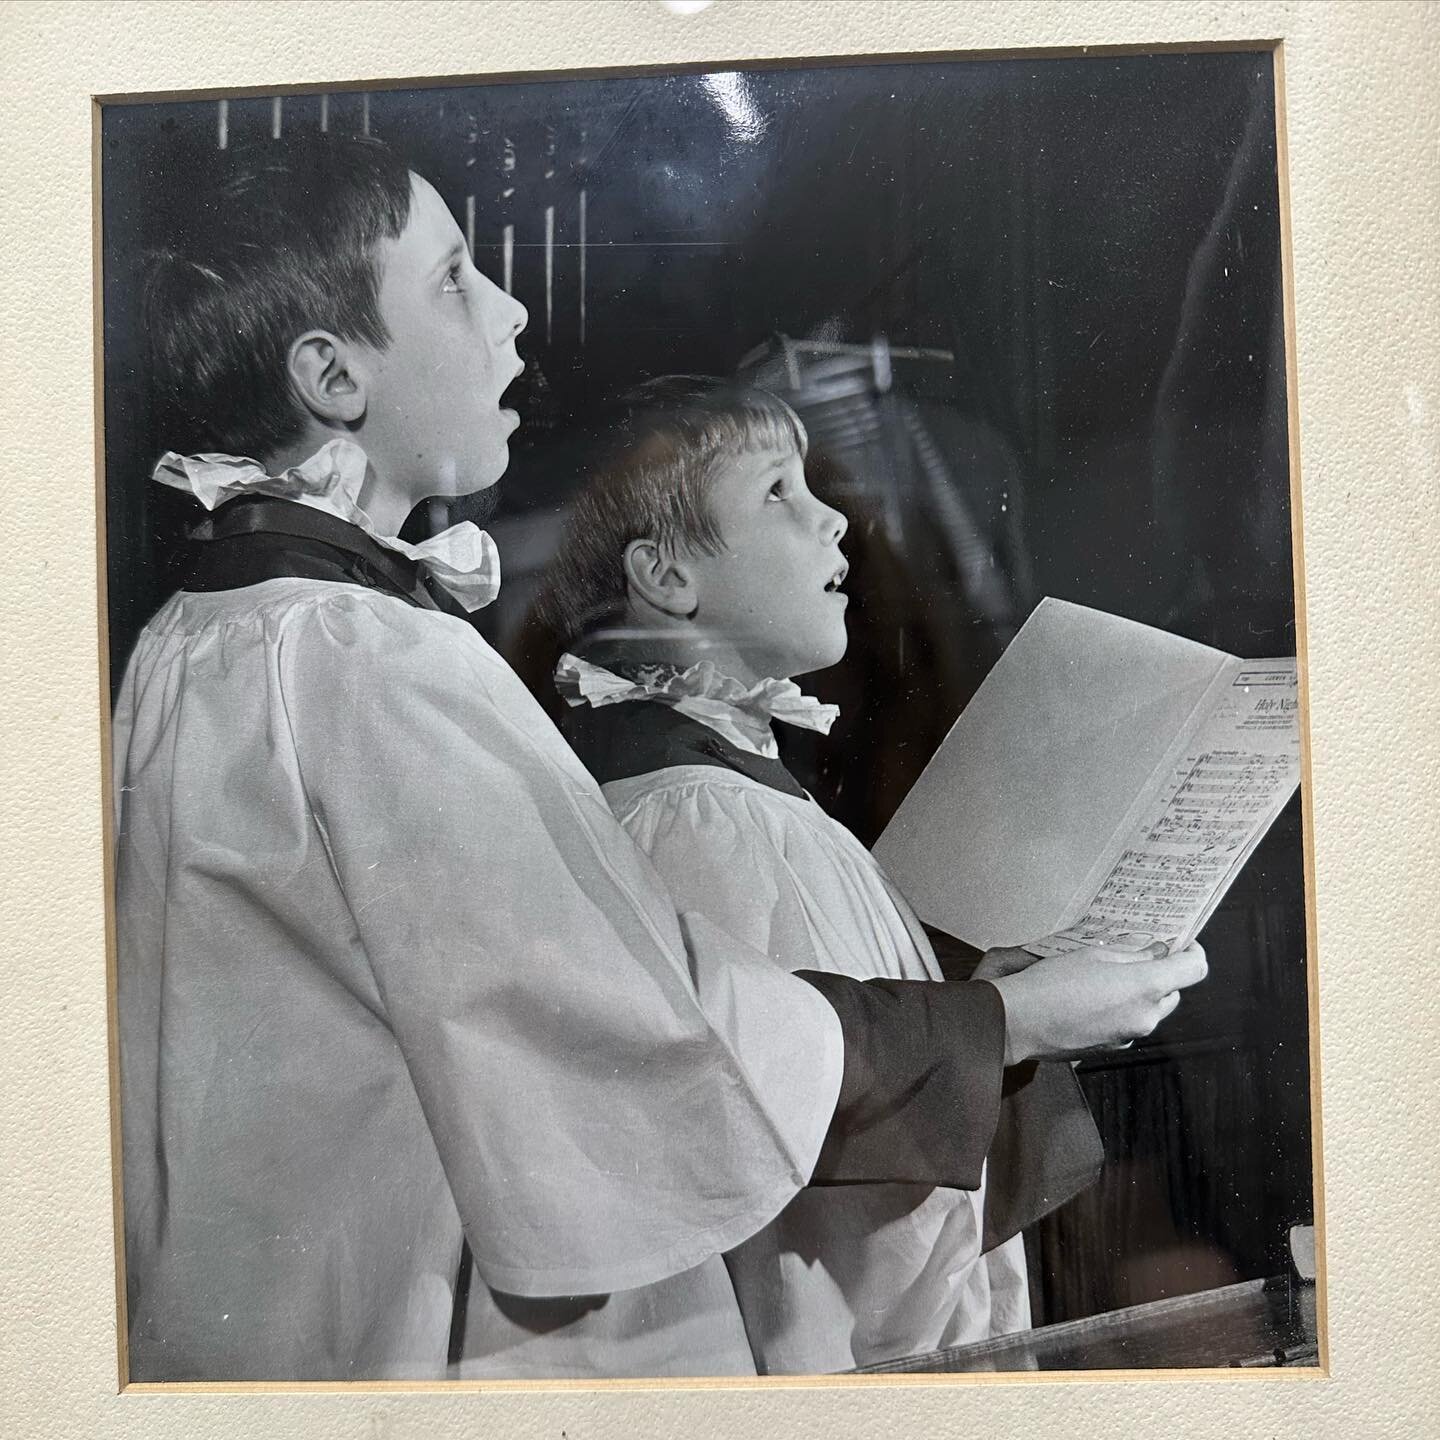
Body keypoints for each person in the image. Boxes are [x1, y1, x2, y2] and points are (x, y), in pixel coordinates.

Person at [112, 132, 1208, 1381]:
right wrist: (1003, 1020)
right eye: (456, 278)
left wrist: (987, 1014)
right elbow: (657, 1031)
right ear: (331, 373)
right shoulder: (364, 655)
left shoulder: (206, 639)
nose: (514, 312)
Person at [533, 377, 1201, 1371]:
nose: (836, 518)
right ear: (666, 576)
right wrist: (1014, 1022)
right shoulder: (705, 821)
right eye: (777, 491)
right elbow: (823, 1199)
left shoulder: (735, 800)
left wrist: (988, 1004)